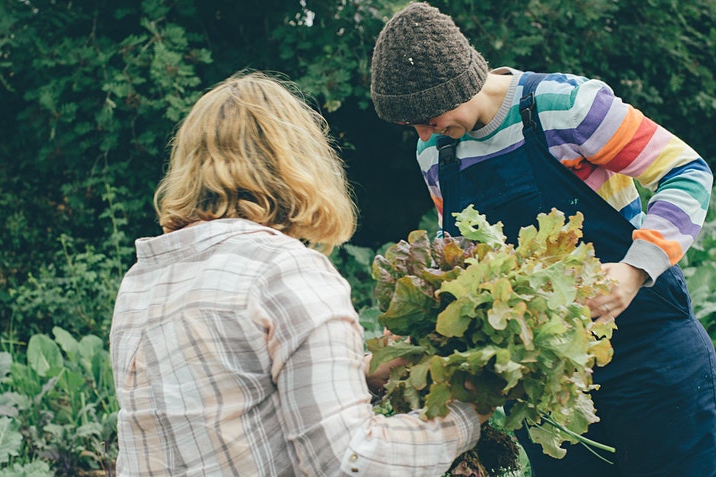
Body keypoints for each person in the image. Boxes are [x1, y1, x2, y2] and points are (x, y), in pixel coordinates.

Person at [370, 3, 716, 477]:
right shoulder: (436, 152)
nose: (423, 132)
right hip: (551, 389)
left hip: (652, 359)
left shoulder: (562, 105)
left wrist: (636, 269)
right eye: (411, 125)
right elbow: (464, 258)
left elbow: (687, 170)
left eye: (430, 116)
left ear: (462, 82)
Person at [109, 70, 488, 477]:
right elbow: (349, 462)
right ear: (297, 161)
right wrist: (466, 416)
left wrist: (361, 374)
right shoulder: (285, 272)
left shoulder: (141, 281)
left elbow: (231, 405)